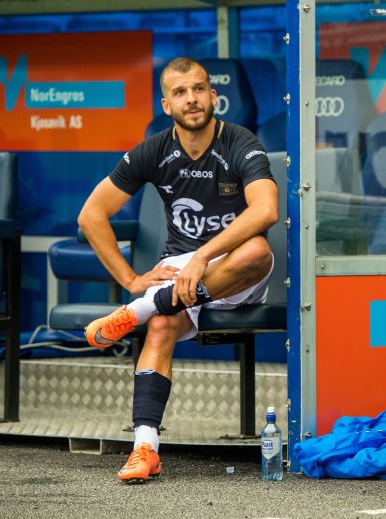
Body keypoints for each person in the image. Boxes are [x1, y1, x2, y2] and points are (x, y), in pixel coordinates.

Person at [78, 57, 279, 483]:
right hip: (179, 267)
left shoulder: (240, 141)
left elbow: (266, 211)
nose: (192, 99)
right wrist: (130, 279)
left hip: (232, 269)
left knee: (258, 251)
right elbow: (91, 215)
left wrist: (204, 256)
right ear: (166, 105)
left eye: (199, 89)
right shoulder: (154, 149)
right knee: (162, 325)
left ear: (213, 96)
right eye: (181, 92)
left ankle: (141, 308)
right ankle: (145, 449)